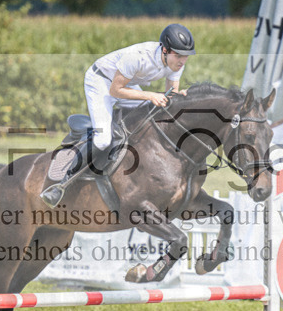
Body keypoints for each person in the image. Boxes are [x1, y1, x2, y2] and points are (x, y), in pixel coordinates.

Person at [40, 23, 196, 207]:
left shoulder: (176, 64)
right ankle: (62, 183)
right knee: (103, 140)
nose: (182, 61)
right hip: (101, 83)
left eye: (185, 56)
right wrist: (150, 95)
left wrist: (183, 96)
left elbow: (170, 95)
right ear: (164, 50)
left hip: (125, 86)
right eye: (178, 56)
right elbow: (116, 90)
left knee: (155, 112)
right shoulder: (138, 57)